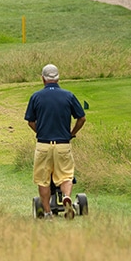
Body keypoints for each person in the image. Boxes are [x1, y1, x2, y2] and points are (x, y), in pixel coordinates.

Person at [24, 63, 86, 220]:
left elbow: (30, 121)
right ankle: (66, 196)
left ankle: (47, 213)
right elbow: (81, 118)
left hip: (44, 144)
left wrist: (41, 131)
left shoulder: (36, 96)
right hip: (63, 144)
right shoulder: (68, 95)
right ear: (58, 78)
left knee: (43, 180)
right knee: (66, 175)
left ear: (43, 79)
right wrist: (72, 133)